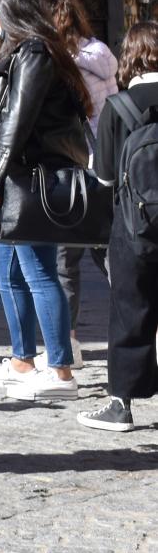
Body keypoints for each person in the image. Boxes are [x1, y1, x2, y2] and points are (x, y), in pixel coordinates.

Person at [0, 0, 92, 402]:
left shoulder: (35, 53)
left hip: (29, 178)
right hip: (18, 177)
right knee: (2, 266)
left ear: (7, 14)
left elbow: (16, 121)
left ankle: (60, 370)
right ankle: (24, 360)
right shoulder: (26, 52)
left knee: (39, 271)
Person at [80, 22, 158, 431]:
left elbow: (106, 177)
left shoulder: (120, 106)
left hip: (135, 225)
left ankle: (121, 404)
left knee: (130, 310)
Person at [49, 0, 118, 352]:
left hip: (75, 166)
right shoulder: (103, 55)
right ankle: (142, 327)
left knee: (65, 260)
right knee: (109, 254)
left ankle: (68, 342)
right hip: (108, 165)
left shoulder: (61, 63)